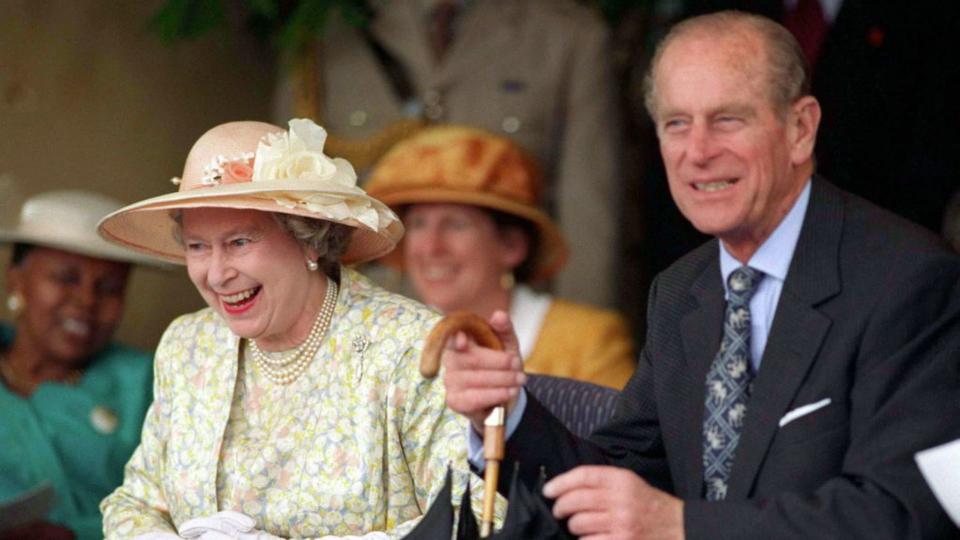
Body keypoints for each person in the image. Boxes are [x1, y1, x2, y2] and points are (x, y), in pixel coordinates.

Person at [440, 10, 960, 539]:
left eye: (728, 119)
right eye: (676, 124)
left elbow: (905, 513)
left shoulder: (910, 281)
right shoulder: (682, 289)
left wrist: (682, 525)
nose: (698, 151)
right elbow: (621, 483)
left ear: (801, 129)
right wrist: (507, 411)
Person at [96, 119, 493, 539]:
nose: (216, 274)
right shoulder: (189, 345)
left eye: (239, 243)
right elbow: (135, 502)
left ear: (309, 239)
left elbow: (473, 517)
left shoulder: (410, 347)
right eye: (198, 246)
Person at [274, 0, 624, 310]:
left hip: (509, 325)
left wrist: (573, 351)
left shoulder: (565, 34)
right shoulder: (322, 33)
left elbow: (587, 211)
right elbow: (289, 204)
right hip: (367, 321)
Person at [364, 125, 636, 389]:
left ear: (511, 246)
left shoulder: (587, 342)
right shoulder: (390, 343)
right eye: (418, 224)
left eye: (455, 224)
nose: (431, 247)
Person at [0, 190, 160, 540]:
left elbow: (180, 509)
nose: (88, 300)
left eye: (110, 287)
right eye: (66, 278)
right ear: (16, 280)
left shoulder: (149, 381)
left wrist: (71, 535)